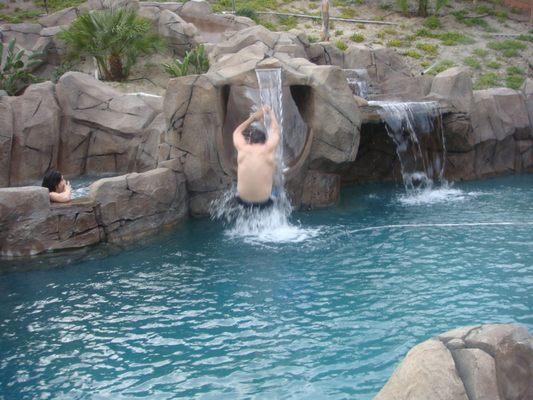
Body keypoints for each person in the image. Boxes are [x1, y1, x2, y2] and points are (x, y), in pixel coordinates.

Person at [233, 106, 280, 209]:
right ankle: (276, 218)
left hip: (241, 200)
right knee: (278, 186)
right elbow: (276, 130)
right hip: (266, 202)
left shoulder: (242, 148)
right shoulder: (269, 149)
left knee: (234, 184)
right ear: (265, 142)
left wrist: (253, 118)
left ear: (249, 141)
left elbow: (237, 132)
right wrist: (271, 113)